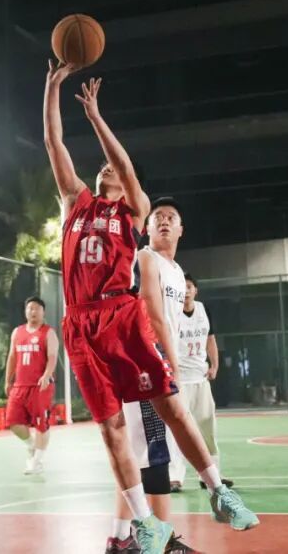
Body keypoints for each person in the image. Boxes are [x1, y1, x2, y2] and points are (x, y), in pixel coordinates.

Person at [43, 63, 258, 554]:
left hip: (120, 316)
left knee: (170, 407)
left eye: (112, 170)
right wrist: (53, 87)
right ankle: (143, 524)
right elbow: (54, 144)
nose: (105, 170)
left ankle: (219, 491)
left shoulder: (133, 211)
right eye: (100, 169)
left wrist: (96, 117)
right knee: (111, 428)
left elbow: (124, 166)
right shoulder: (75, 203)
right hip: (79, 322)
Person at [108, 197, 201, 554]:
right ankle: (163, 542)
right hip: (147, 365)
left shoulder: (175, 270)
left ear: (181, 229)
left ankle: (119, 538)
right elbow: (152, 312)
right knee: (155, 454)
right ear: (146, 227)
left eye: (171, 217)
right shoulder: (145, 257)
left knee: (137, 456)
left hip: (154, 364)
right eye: (158, 216)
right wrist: (171, 366)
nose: (164, 221)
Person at [169, 273, 230, 493]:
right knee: (177, 430)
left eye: (189, 287)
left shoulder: (204, 310)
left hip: (200, 378)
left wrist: (214, 365)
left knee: (207, 427)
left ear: (196, 290)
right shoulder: (172, 311)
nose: (186, 291)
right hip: (180, 381)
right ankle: (175, 477)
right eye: (182, 287)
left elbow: (210, 339)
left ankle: (211, 476)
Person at [4, 296, 59, 475]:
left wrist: (46, 375)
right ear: (25, 311)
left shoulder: (48, 333)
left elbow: (52, 357)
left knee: (41, 425)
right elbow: (12, 357)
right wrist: (8, 380)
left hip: (40, 387)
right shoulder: (17, 332)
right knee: (13, 422)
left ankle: (36, 462)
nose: (32, 311)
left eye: (36, 308)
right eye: (29, 308)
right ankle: (32, 446)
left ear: (43, 312)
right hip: (20, 386)